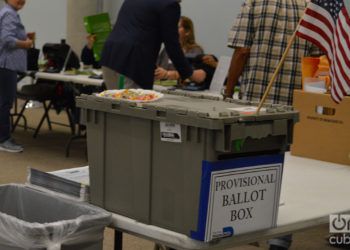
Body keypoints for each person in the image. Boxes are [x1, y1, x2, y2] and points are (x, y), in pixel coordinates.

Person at [225, 0, 321, 106]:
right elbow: (317, 59)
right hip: (295, 102)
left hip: (255, 100)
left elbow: (242, 51)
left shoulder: (253, 2)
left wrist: (228, 92)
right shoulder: (311, 6)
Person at [100, 0, 206, 90]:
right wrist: (189, 74)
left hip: (109, 55)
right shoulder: (169, 5)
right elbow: (172, 44)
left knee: (114, 107)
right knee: (133, 109)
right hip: (132, 63)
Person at [0, 0, 33, 153]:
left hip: (6, 64)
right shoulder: (9, 13)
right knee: (5, 103)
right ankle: (4, 139)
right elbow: (6, 39)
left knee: (4, 102)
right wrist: (25, 44)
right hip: (7, 65)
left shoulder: (8, 12)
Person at [154, 16, 204, 81]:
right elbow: (157, 69)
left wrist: (168, 74)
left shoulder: (195, 51)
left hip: (183, 90)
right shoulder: (166, 49)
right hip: (160, 87)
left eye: (177, 27)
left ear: (187, 32)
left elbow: (194, 75)